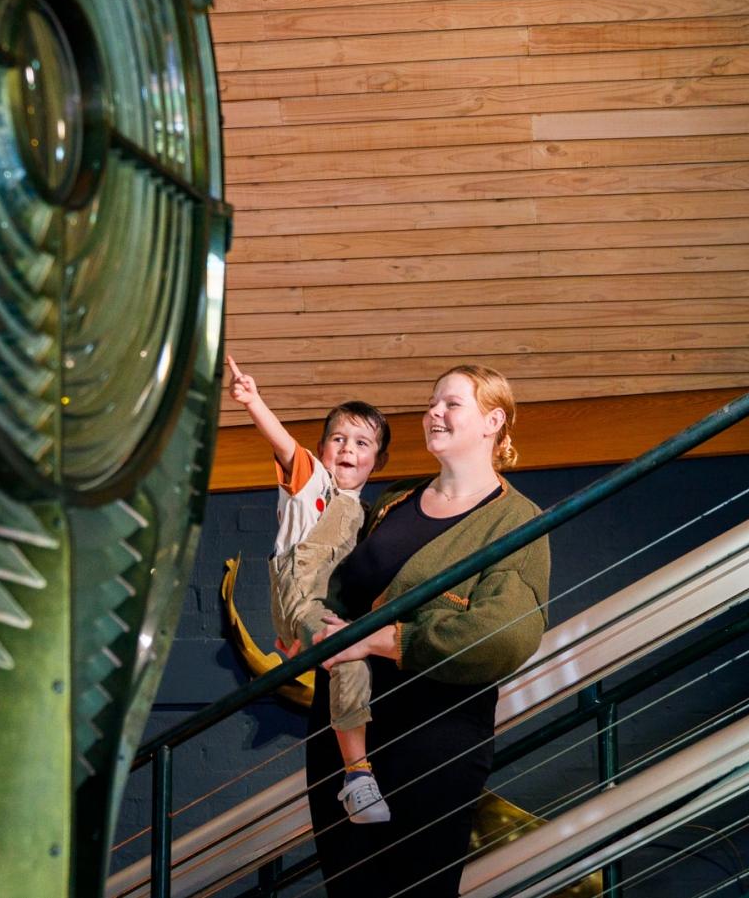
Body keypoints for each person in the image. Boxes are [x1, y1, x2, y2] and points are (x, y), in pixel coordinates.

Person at [304, 364, 551, 898]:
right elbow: (341, 592)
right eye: (432, 402)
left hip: (433, 738)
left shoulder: (516, 522)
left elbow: (502, 637)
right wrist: (309, 633)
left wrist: (379, 638)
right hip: (345, 734)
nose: (434, 412)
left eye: (451, 403)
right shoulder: (394, 500)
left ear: (493, 422)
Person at [227, 353, 394, 824]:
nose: (348, 449)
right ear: (321, 449)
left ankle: (309, 651)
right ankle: (357, 776)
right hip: (300, 597)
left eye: (362, 443)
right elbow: (284, 446)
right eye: (338, 439)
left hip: (323, 608)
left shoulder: (365, 513)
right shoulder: (312, 485)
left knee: (363, 648)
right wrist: (254, 402)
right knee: (349, 651)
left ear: (376, 460)